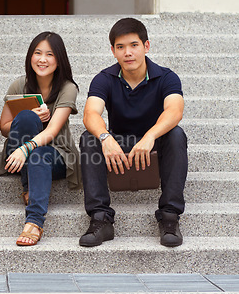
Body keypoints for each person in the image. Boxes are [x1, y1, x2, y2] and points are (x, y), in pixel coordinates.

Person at [79, 17, 187, 248]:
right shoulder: (104, 78)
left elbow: (175, 111)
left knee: (177, 134)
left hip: (154, 142)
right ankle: (101, 218)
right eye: (120, 47)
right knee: (89, 137)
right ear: (113, 51)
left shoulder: (166, 77)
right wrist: (105, 137)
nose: (128, 53)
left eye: (134, 45)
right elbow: (90, 114)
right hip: (120, 143)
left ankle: (169, 216)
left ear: (146, 46)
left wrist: (150, 136)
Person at [0, 32, 81, 246]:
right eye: (37, 53)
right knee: (26, 117)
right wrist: (27, 118)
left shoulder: (67, 88)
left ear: (59, 59)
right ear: (30, 56)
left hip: (57, 155)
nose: (42, 59)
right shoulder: (19, 85)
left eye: (49, 54)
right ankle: (28, 187)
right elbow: (4, 128)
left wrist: (26, 149)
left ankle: (34, 221)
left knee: (37, 154)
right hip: (18, 154)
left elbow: (53, 131)